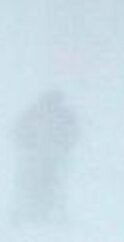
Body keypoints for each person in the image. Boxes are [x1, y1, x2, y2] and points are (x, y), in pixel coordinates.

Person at [11, 90, 79, 223]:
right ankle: (33, 210)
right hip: (41, 155)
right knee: (38, 182)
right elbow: (19, 130)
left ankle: (40, 211)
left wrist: (65, 146)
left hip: (48, 156)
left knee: (44, 182)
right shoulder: (40, 113)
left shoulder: (57, 115)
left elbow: (73, 133)